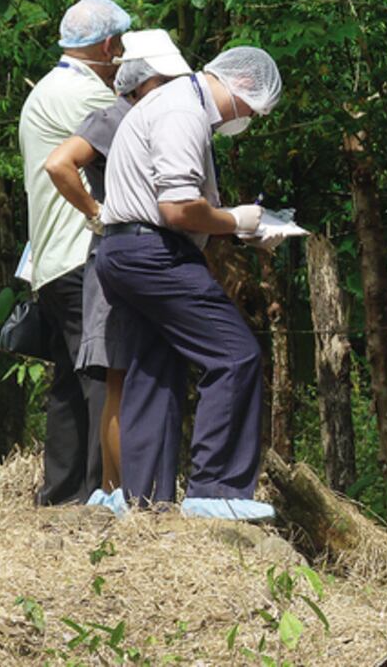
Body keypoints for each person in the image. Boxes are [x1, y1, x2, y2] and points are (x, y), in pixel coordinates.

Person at [95, 45, 286, 520]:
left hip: (123, 250)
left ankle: (144, 500)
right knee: (235, 354)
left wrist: (238, 229)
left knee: (155, 370)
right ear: (241, 87)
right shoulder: (184, 110)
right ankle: (216, 490)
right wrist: (238, 220)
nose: (248, 120)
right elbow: (177, 208)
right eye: (254, 111)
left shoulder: (169, 103)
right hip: (154, 253)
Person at [43, 29, 192, 503]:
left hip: (143, 259)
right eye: (164, 79)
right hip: (119, 258)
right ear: (140, 82)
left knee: (137, 378)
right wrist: (97, 212)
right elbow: (59, 164)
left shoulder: (153, 116)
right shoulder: (117, 117)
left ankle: (129, 495)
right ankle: (123, 495)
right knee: (120, 378)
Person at [20, 0, 130, 505]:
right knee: (98, 375)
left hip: (52, 259)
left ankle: (60, 497)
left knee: (68, 381)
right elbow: (136, 134)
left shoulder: (53, 85)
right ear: (108, 46)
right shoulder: (81, 95)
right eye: (122, 46)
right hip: (75, 254)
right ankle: (99, 494)